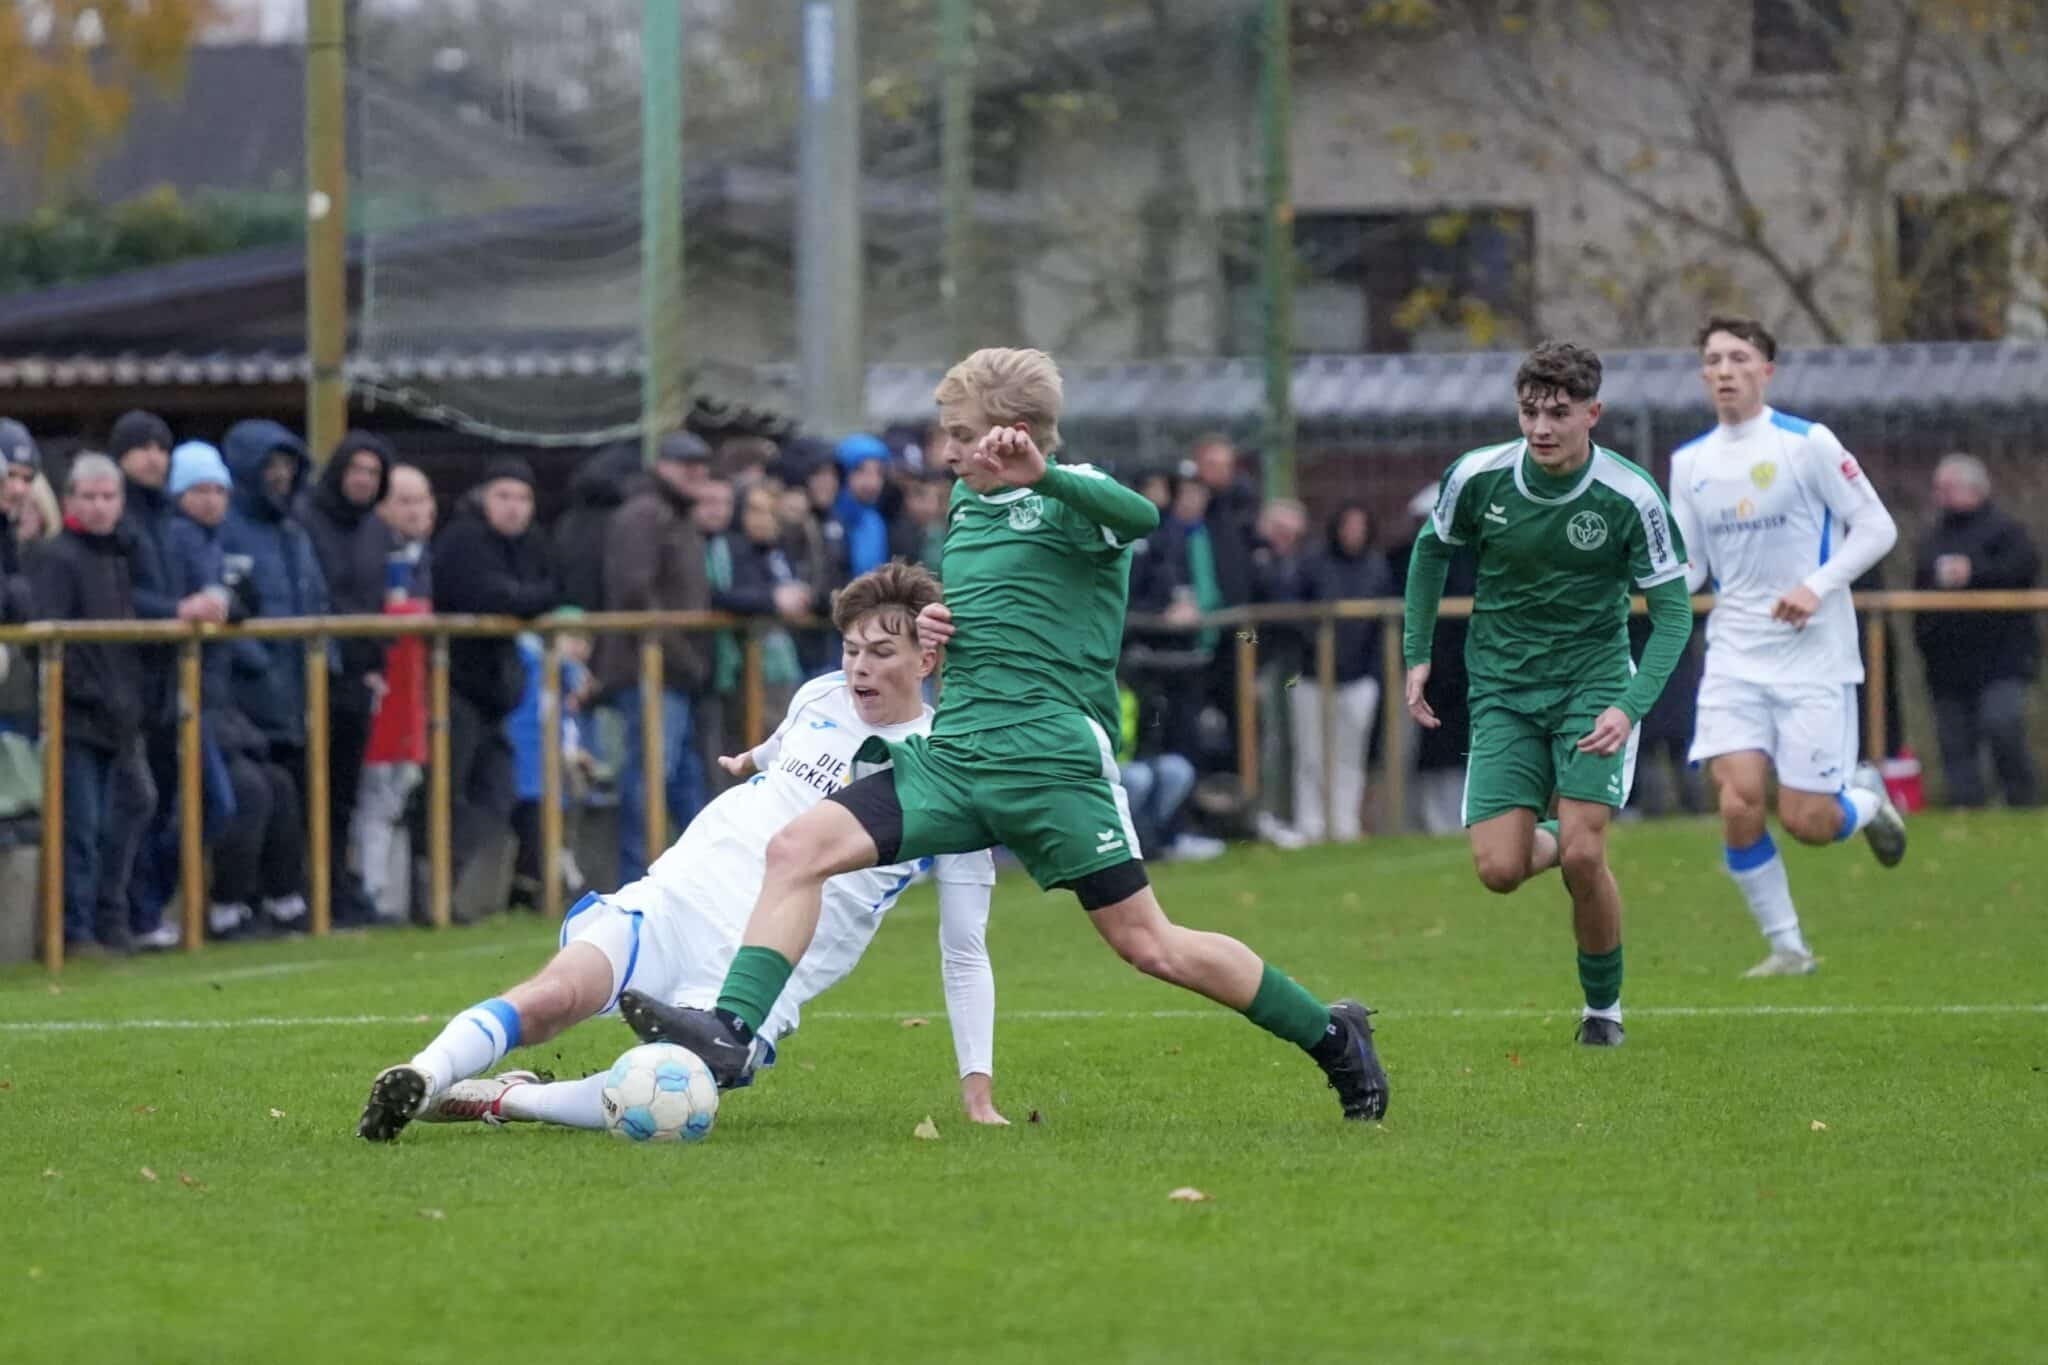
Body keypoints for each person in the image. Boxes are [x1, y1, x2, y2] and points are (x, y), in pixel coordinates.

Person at [620, 348, 1388, 1122]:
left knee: (1150, 945)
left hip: (1050, 765)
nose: (945, 450)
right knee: (796, 848)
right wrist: (939, 622)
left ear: (1012, 432)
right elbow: (1007, 605)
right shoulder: (965, 502)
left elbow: (1140, 517)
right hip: (956, 759)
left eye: (960, 433)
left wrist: (1043, 476)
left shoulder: (1069, 496)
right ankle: (731, 1029)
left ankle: (1333, 1034)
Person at [356, 563, 1003, 1140]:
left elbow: (965, 949)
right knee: (555, 994)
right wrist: (750, 760)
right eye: (851, 648)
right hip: (681, 897)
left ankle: (507, 1099)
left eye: (882, 652)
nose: (859, 667)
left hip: (757, 972)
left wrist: (978, 1092)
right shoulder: (819, 695)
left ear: (926, 660)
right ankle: (423, 1074)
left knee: (670, 1081)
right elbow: (784, 745)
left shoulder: (948, 775)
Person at [1403, 341, 1695, 1047]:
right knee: (1499, 870)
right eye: (1529, 411)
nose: (1541, 427)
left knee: (1586, 857)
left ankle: (1603, 1010)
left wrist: (1628, 706)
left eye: (1559, 413)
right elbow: (1430, 550)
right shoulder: (1478, 477)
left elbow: (1674, 615)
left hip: (1593, 684)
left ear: (1593, 413)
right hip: (1503, 688)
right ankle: (1567, 830)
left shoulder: (1630, 496)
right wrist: (1416, 653)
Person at [1668, 317, 1908, 979]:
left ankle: (1868, 799)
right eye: (1713, 359)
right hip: (1734, 655)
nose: (1724, 370)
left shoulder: (1808, 443)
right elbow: (1690, 567)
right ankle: (1789, 948)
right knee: (1737, 799)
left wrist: (1816, 586)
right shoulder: (1689, 463)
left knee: (1809, 821)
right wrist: (1632, 578)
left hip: (1812, 657)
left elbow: (1876, 527)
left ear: (1766, 370)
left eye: (1738, 357)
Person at [162, 441, 309, 939]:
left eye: (217, 490)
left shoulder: (216, 541)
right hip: (186, 700)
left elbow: (243, 603)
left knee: (278, 785)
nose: (210, 500)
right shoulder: (176, 539)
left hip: (220, 702)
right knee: (242, 793)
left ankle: (283, 899)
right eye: (199, 490)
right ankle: (223, 906)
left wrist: (226, 605)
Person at [25, 455, 157, 954]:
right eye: (90, 497)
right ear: (69, 501)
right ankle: (77, 929)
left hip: (121, 715)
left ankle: (110, 917)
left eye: (109, 497)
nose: (100, 507)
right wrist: (91, 693)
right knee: (82, 826)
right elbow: (49, 640)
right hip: (79, 717)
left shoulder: (121, 555)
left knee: (132, 808)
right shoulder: (57, 559)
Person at [429, 457, 561, 911]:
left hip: (494, 695)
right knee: (449, 792)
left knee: (495, 793)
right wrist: (528, 600)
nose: (514, 507)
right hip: (454, 687)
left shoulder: (531, 543)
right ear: (484, 497)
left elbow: (555, 588)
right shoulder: (463, 540)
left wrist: (525, 599)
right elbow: (487, 595)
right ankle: (432, 895)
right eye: (504, 495)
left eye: (523, 497)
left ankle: (444, 891)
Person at [221, 419, 332, 931]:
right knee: (255, 795)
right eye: (271, 464)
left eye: (288, 464)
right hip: (246, 696)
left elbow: (316, 601)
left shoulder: (294, 531)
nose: (281, 474)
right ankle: (236, 904)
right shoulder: (227, 529)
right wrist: (256, 663)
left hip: (295, 694)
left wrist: (326, 664)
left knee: (295, 797)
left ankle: (285, 898)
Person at [591, 433, 712, 884]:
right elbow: (634, 593)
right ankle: (638, 880)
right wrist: (680, 653)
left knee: (680, 779)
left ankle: (696, 878)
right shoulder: (645, 514)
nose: (696, 473)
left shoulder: (674, 515)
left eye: (701, 466)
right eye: (686, 465)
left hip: (673, 669)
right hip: (650, 666)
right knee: (650, 777)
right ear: (662, 466)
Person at [296, 429, 398, 926]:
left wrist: (375, 661)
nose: (363, 480)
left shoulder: (377, 530)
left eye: (373, 472)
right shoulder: (306, 519)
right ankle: (307, 890)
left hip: (359, 678)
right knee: (309, 788)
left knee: (345, 793)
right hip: (315, 673)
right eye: (356, 469)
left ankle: (337, 886)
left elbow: (376, 599)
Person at [1912, 453, 2040, 809]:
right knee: (1954, 740)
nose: (1939, 495)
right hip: (1947, 660)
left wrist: (1973, 573)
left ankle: (2022, 802)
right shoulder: (1933, 537)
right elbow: (1920, 583)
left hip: (2002, 658)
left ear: (1973, 489)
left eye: (1947, 488)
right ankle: (1965, 806)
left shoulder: (2007, 532)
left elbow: (2022, 570)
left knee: (2003, 725)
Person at [1287, 502, 1395, 844]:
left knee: (1350, 757)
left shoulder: (1376, 568)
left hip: (1359, 676)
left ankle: (1344, 822)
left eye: (1359, 526)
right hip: (1312, 676)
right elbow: (1294, 612)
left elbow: (1383, 625)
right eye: (1348, 525)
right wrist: (1317, 645)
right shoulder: (1313, 563)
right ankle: (1310, 823)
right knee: (1311, 754)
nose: (1353, 532)